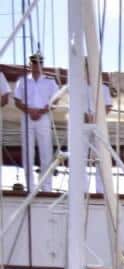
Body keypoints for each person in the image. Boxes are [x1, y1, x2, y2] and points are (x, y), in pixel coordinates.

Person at [13, 53, 59, 192]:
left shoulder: (50, 81)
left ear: (42, 65)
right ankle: (30, 187)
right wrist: (29, 110)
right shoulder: (22, 81)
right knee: (28, 152)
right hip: (27, 117)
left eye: (39, 63)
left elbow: (55, 100)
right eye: (33, 63)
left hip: (43, 117)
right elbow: (17, 100)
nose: (36, 65)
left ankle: (46, 187)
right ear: (30, 64)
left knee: (46, 152)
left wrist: (41, 112)